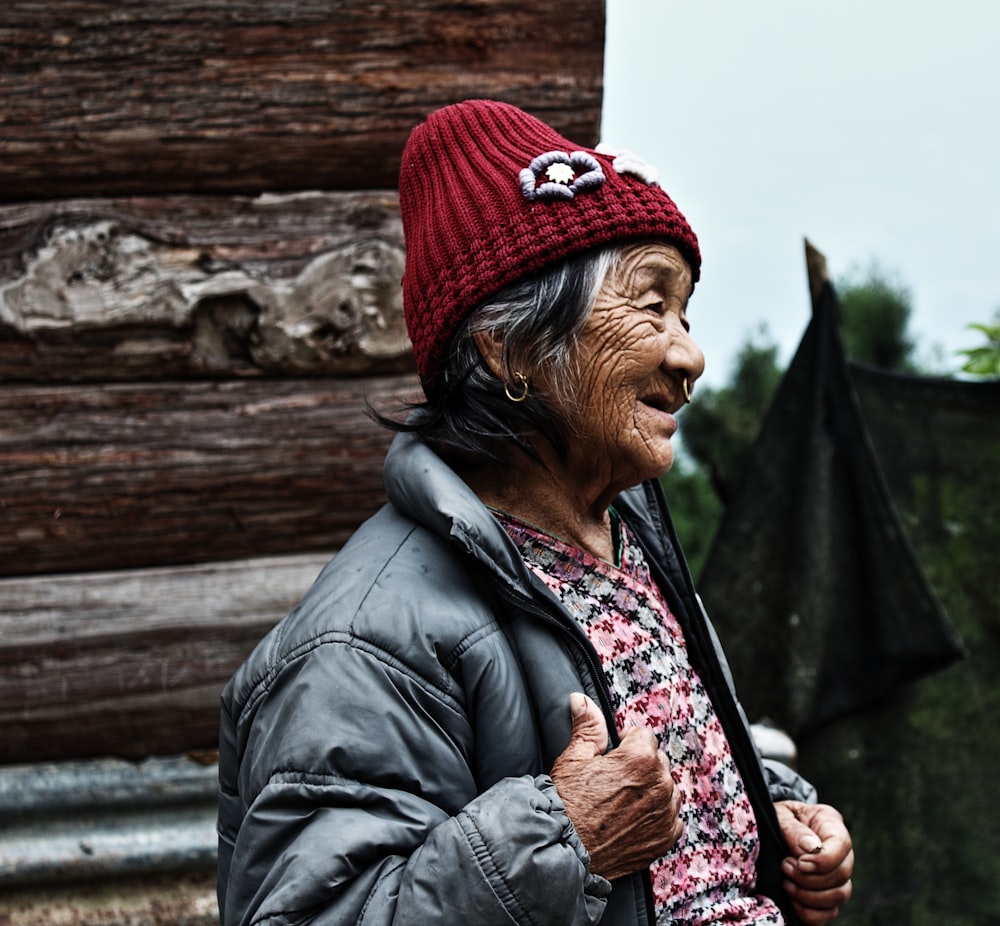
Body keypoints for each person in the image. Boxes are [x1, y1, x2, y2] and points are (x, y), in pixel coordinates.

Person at [216, 99, 854, 926]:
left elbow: (661, 779)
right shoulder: (363, 640)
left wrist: (779, 819)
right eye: (651, 305)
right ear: (511, 347)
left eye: (687, 312)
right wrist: (565, 842)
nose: (691, 354)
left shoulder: (622, 550)